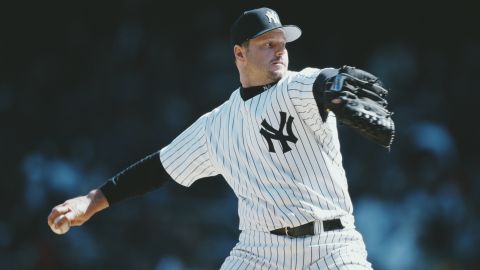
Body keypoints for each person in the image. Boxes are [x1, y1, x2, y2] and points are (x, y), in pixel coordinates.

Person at [48, 7, 392, 269]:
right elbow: (158, 169)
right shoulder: (216, 125)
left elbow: (322, 80)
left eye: (282, 43)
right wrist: (92, 201)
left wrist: (333, 84)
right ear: (239, 54)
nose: (279, 51)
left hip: (331, 246)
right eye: (267, 44)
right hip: (260, 252)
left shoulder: (296, 86)